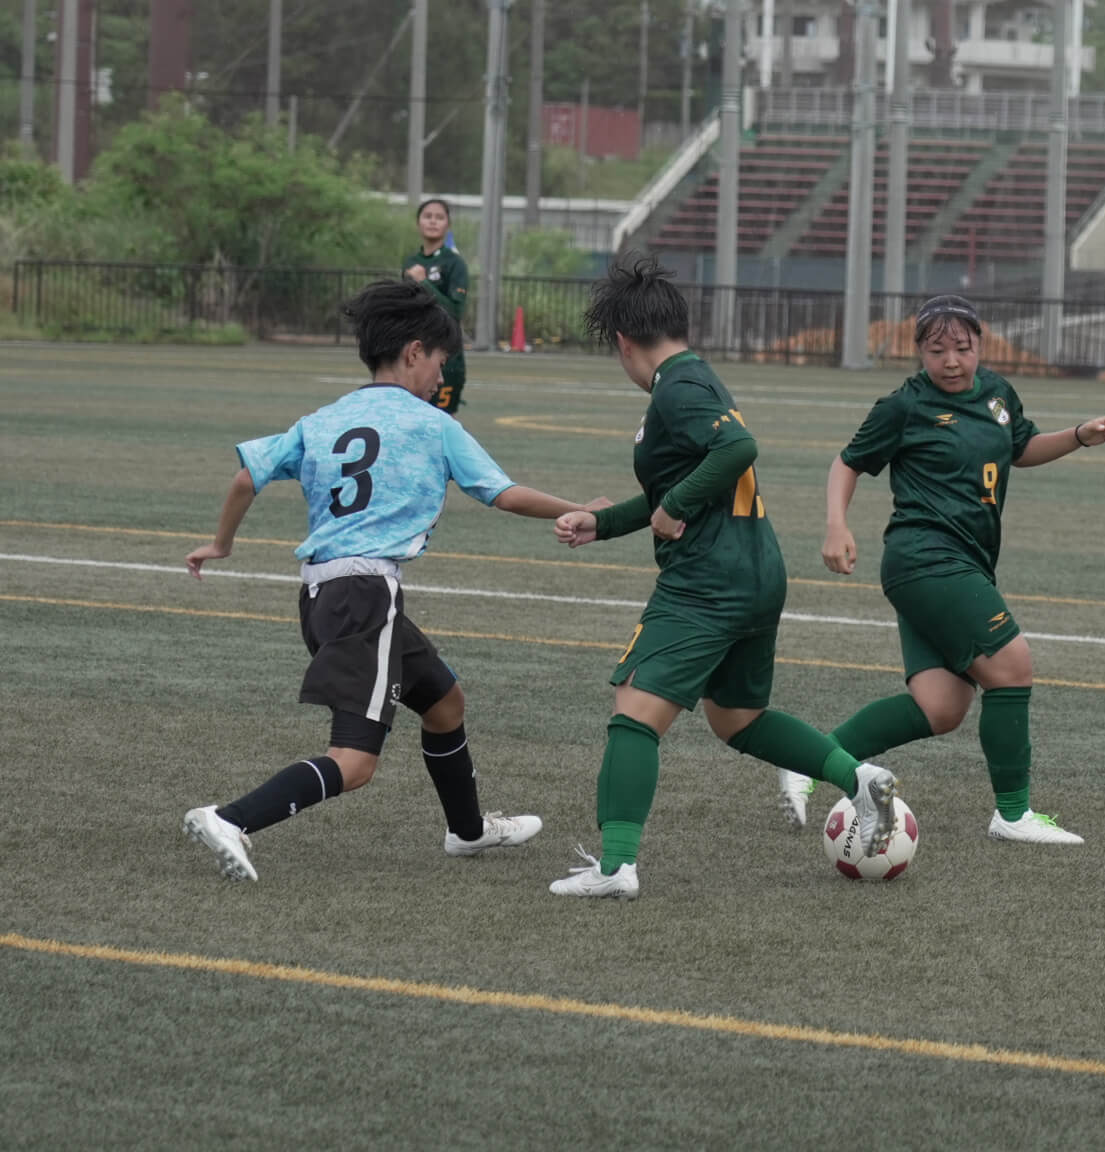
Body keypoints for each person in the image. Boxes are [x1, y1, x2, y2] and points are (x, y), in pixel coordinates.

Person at [181, 280, 599, 881]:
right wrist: (581, 508)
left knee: (445, 702)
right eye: (440, 362)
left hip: (325, 594)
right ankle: (230, 819)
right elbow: (503, 494)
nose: (441, 376)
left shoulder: (323, 419)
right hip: (365, 595)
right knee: (354, 762)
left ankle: (468, 831)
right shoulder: (432, 424)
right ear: (413, 352)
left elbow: (247, 477)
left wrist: (221, 544)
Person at [546, 256, 899, 900]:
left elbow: (737, 450)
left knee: (633, 712)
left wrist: (674, 505)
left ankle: (616, 867)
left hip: (708, 580)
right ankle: (859, 779)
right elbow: (680, 488)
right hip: (754, 570)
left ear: (624, 342)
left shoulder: (676, 389)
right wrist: (605, 522)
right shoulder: (697, 377)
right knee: (738, 718)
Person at [776, 294, 1105, 844]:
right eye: (937, 351)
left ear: (980, 343)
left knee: (940, 707)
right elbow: (847, 462)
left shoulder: (998, 394)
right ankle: (1013, 815)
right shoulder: (904, 406)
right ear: (919, 351)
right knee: (1012, 665)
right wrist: (836, 525)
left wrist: (1080, 435)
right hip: (925, 558)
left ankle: (807, 760)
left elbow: (1021, 446)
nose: (952, 361)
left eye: (962, 348)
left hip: (965, 562)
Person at [403, 198, 470, 413]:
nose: (433, 221)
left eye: (439, 217)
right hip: (414, 355)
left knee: (442, 421)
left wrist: (424, 283)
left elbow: (455, 311)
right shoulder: (410, 262)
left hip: (446, 357)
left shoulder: (455, 263)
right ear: (418, 223)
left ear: (448, 224)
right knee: (412, 419)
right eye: (428, 216)